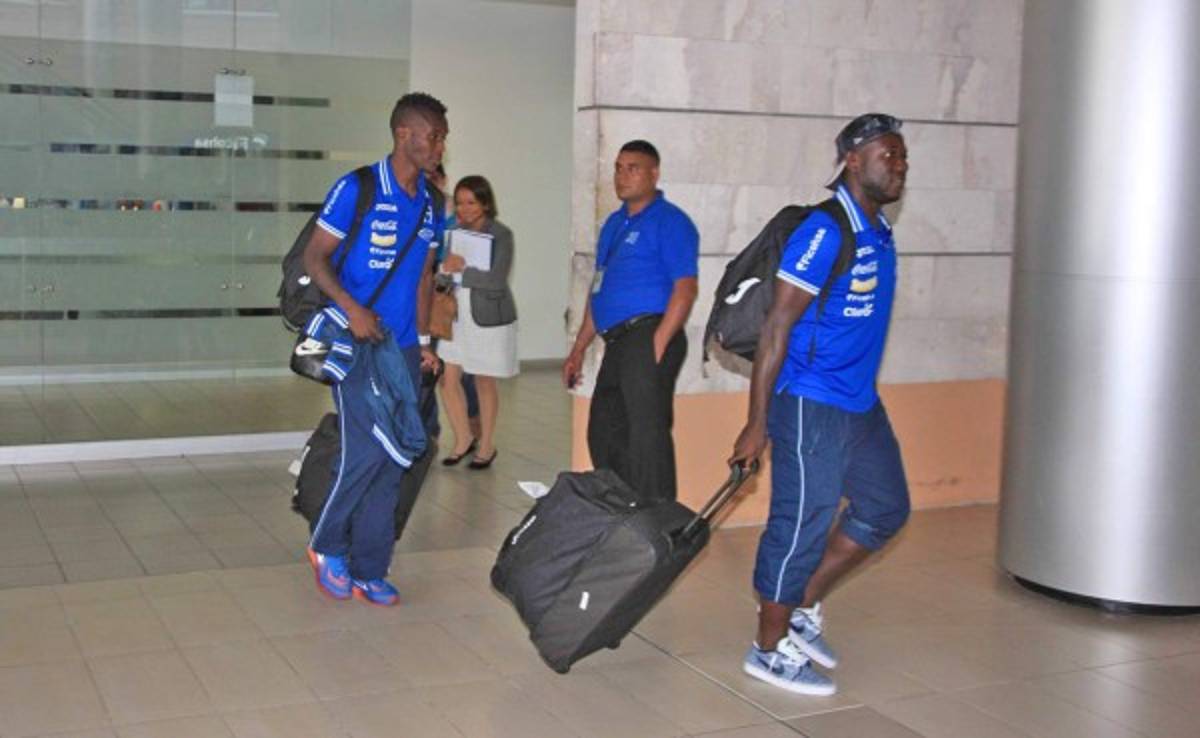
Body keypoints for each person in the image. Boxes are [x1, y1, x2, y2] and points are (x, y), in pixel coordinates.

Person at [729, 113, 911, 695]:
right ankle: (767, 647)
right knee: (801, 521)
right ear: (853, 160)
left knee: (884, 507)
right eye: (888, 154)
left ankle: (801, 604)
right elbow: (776, 327)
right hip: (810, 400)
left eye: (903, 156)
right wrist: (756, 424)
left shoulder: (878, 229)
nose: (899, 164)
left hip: (858, 403)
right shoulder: (824, 230)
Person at [300, 92, 448, 606]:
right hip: (355, 340)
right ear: (404, 134)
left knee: (397, 456)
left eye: (443, 136)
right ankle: (326, 545)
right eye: (433, 135)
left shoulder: (432, 201)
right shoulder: (357, 188)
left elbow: (425, 275)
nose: (440, 145)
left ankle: (369, 567)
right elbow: (314, 258)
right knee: (365, 450)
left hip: (403, 349)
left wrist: (426, 341)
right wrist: (352, 307)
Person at [562, 140, 699, 502]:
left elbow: (685, 289)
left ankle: (659, 520)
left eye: (633, 168)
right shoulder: (613, 223)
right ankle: (625, 508)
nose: (622, 176)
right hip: (618, 340)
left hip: (648, 333)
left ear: (654, 173)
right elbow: (599, 289)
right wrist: (578, 349)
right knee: (604, 431)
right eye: (618, 168)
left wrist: (659, 342)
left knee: (645, 434)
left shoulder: (670, 221)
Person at [437, 175, 518, 469]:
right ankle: (462, 439)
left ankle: (486, 445)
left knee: (484, 381)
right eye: (459, 202)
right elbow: (442, 277)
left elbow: (496, 280)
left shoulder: (501, 234)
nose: (464, 208)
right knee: (448, 380)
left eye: (471, 202)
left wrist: (462, 269)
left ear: (485, 203)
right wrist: (446, 271)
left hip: (488, 317)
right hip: (456, 315)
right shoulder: (454, 232)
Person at [428, 164, 482, 441]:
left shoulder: (459, 216)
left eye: (433, 178)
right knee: (428, 366)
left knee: (463, 372)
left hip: (455, 301)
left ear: (443, 179)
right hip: (425, 301)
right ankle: (429, 433)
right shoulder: (416, 212)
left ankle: (474, 424)